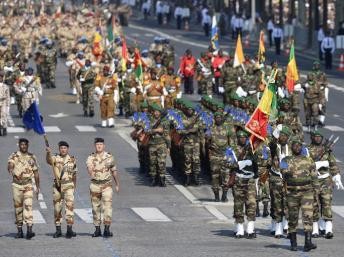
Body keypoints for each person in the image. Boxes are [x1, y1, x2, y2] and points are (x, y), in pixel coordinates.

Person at [280, 138, 318, 252]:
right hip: (292, 192)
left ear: (301, 147)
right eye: (295, 146)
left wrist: (316, 190)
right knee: (292, 218)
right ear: (291, 148)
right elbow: (283, 171)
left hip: (307, 192)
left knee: (308, 216)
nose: (297, 147)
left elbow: (314, 175)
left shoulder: (309, 160)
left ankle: (308, 242)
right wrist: (291, 171)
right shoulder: (286, 160)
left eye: (299, 146)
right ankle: (293, 243)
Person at [307, 130, 344, 239]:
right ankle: (315, 229)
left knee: (326, 203)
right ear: (312, 138)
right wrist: (315, 164)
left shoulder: (326, 150)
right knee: (314, 205)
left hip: (326, 181)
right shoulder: (307, 150)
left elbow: (333, 164)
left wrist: (336, 176)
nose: (318, 138)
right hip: (313, 181)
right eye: (316, 137)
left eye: (320, 137)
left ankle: (328, 229)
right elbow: (303, 164)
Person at [86, 138, 120, 238]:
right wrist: (91, 172)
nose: (99, 146)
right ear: (95, 146)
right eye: (97, 145)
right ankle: (97, 229)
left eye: (101, 144)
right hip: (95, 185)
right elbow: (89, 168)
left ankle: (106, 229)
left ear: (104, 146)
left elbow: (114, 171)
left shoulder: (109, 157)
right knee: (95, 208)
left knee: (107, 207)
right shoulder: (91, 157)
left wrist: (117, 184)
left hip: (107, 185)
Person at [7, 138, 40, 239]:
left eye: (25, 145)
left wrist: (38, 187)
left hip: (28, 185)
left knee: (28, 205)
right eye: (22, 145)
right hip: (17, 185)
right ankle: (20, 230)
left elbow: (36, 173)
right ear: (19, 145)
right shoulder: (14, 155)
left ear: (28, 145)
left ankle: (29, 229)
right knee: (18, 208)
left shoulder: (32, 157)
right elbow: (10, 164)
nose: (23, 146)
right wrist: (11, 169)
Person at [230, 130, 258, 239]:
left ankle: (250, 229)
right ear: (237, 138)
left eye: (244, 137)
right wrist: (237, 164)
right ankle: (239, 229)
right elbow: (226, 161)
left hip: (250, 180)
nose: (242, 139)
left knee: (251, 203)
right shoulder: (232, 149)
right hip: (238, 180)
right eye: (240, 137)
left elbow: (258, 162)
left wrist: (251, 158)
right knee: (238, 205)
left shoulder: (251, 149)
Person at [46, 141, 77, 239]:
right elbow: (49, 161)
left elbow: (75, 174)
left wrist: (74, 186)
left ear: (68, 149)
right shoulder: (55, 158)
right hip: (58, 186)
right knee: (57, 208)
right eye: (61, 148)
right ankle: (58, 230)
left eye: (65, 148)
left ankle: (69, 229)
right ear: (59, 149)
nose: (63, 150)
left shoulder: (72, 160)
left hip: (68, 185)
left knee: (69, 207)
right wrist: (48, 153)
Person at [207, 112, 233, 201]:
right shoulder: (211, 128)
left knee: (226, 176)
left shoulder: (228, 129)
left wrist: (232, 156)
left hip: (225, 156)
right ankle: (216, 196)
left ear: (222, 118)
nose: (218, 119)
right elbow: (206, 140)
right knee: (215, 176)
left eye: (219, 117)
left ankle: (224, 195)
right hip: (214, 155)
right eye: (216, 117)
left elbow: (232, 143)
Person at [146, 103, 170, 186]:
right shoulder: (149, 120)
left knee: (162, 162)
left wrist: (168, 147)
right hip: (152, 144)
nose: (156, 113)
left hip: (162, 144)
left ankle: (162, 179)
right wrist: (156, 130)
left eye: (158, 112)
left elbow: (167, 134)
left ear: (160, 112)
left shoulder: (165, 121)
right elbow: (146, 131)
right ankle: (153, 179)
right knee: (152, 162)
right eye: (155, 112)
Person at [0, 71, 10, 136]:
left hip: (3, 102)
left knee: (4, 115)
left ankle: (4, 128)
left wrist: (8, 105)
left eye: (1, 77)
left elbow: (8, 96)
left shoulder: (5, 86)